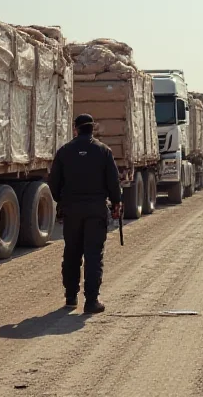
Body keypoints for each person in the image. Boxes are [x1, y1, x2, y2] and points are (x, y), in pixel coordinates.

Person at [49, 114, 122, 314]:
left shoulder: (64, 152)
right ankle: (91, 302)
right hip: (96, 211)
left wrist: (63, 201)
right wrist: (116, 202)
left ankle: (71, 297)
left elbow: (53, 184)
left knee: (72, 252)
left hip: (72, 211)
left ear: (76, 129)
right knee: (93, 255)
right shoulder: (103, 151)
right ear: (93, 129)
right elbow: (113, 183)